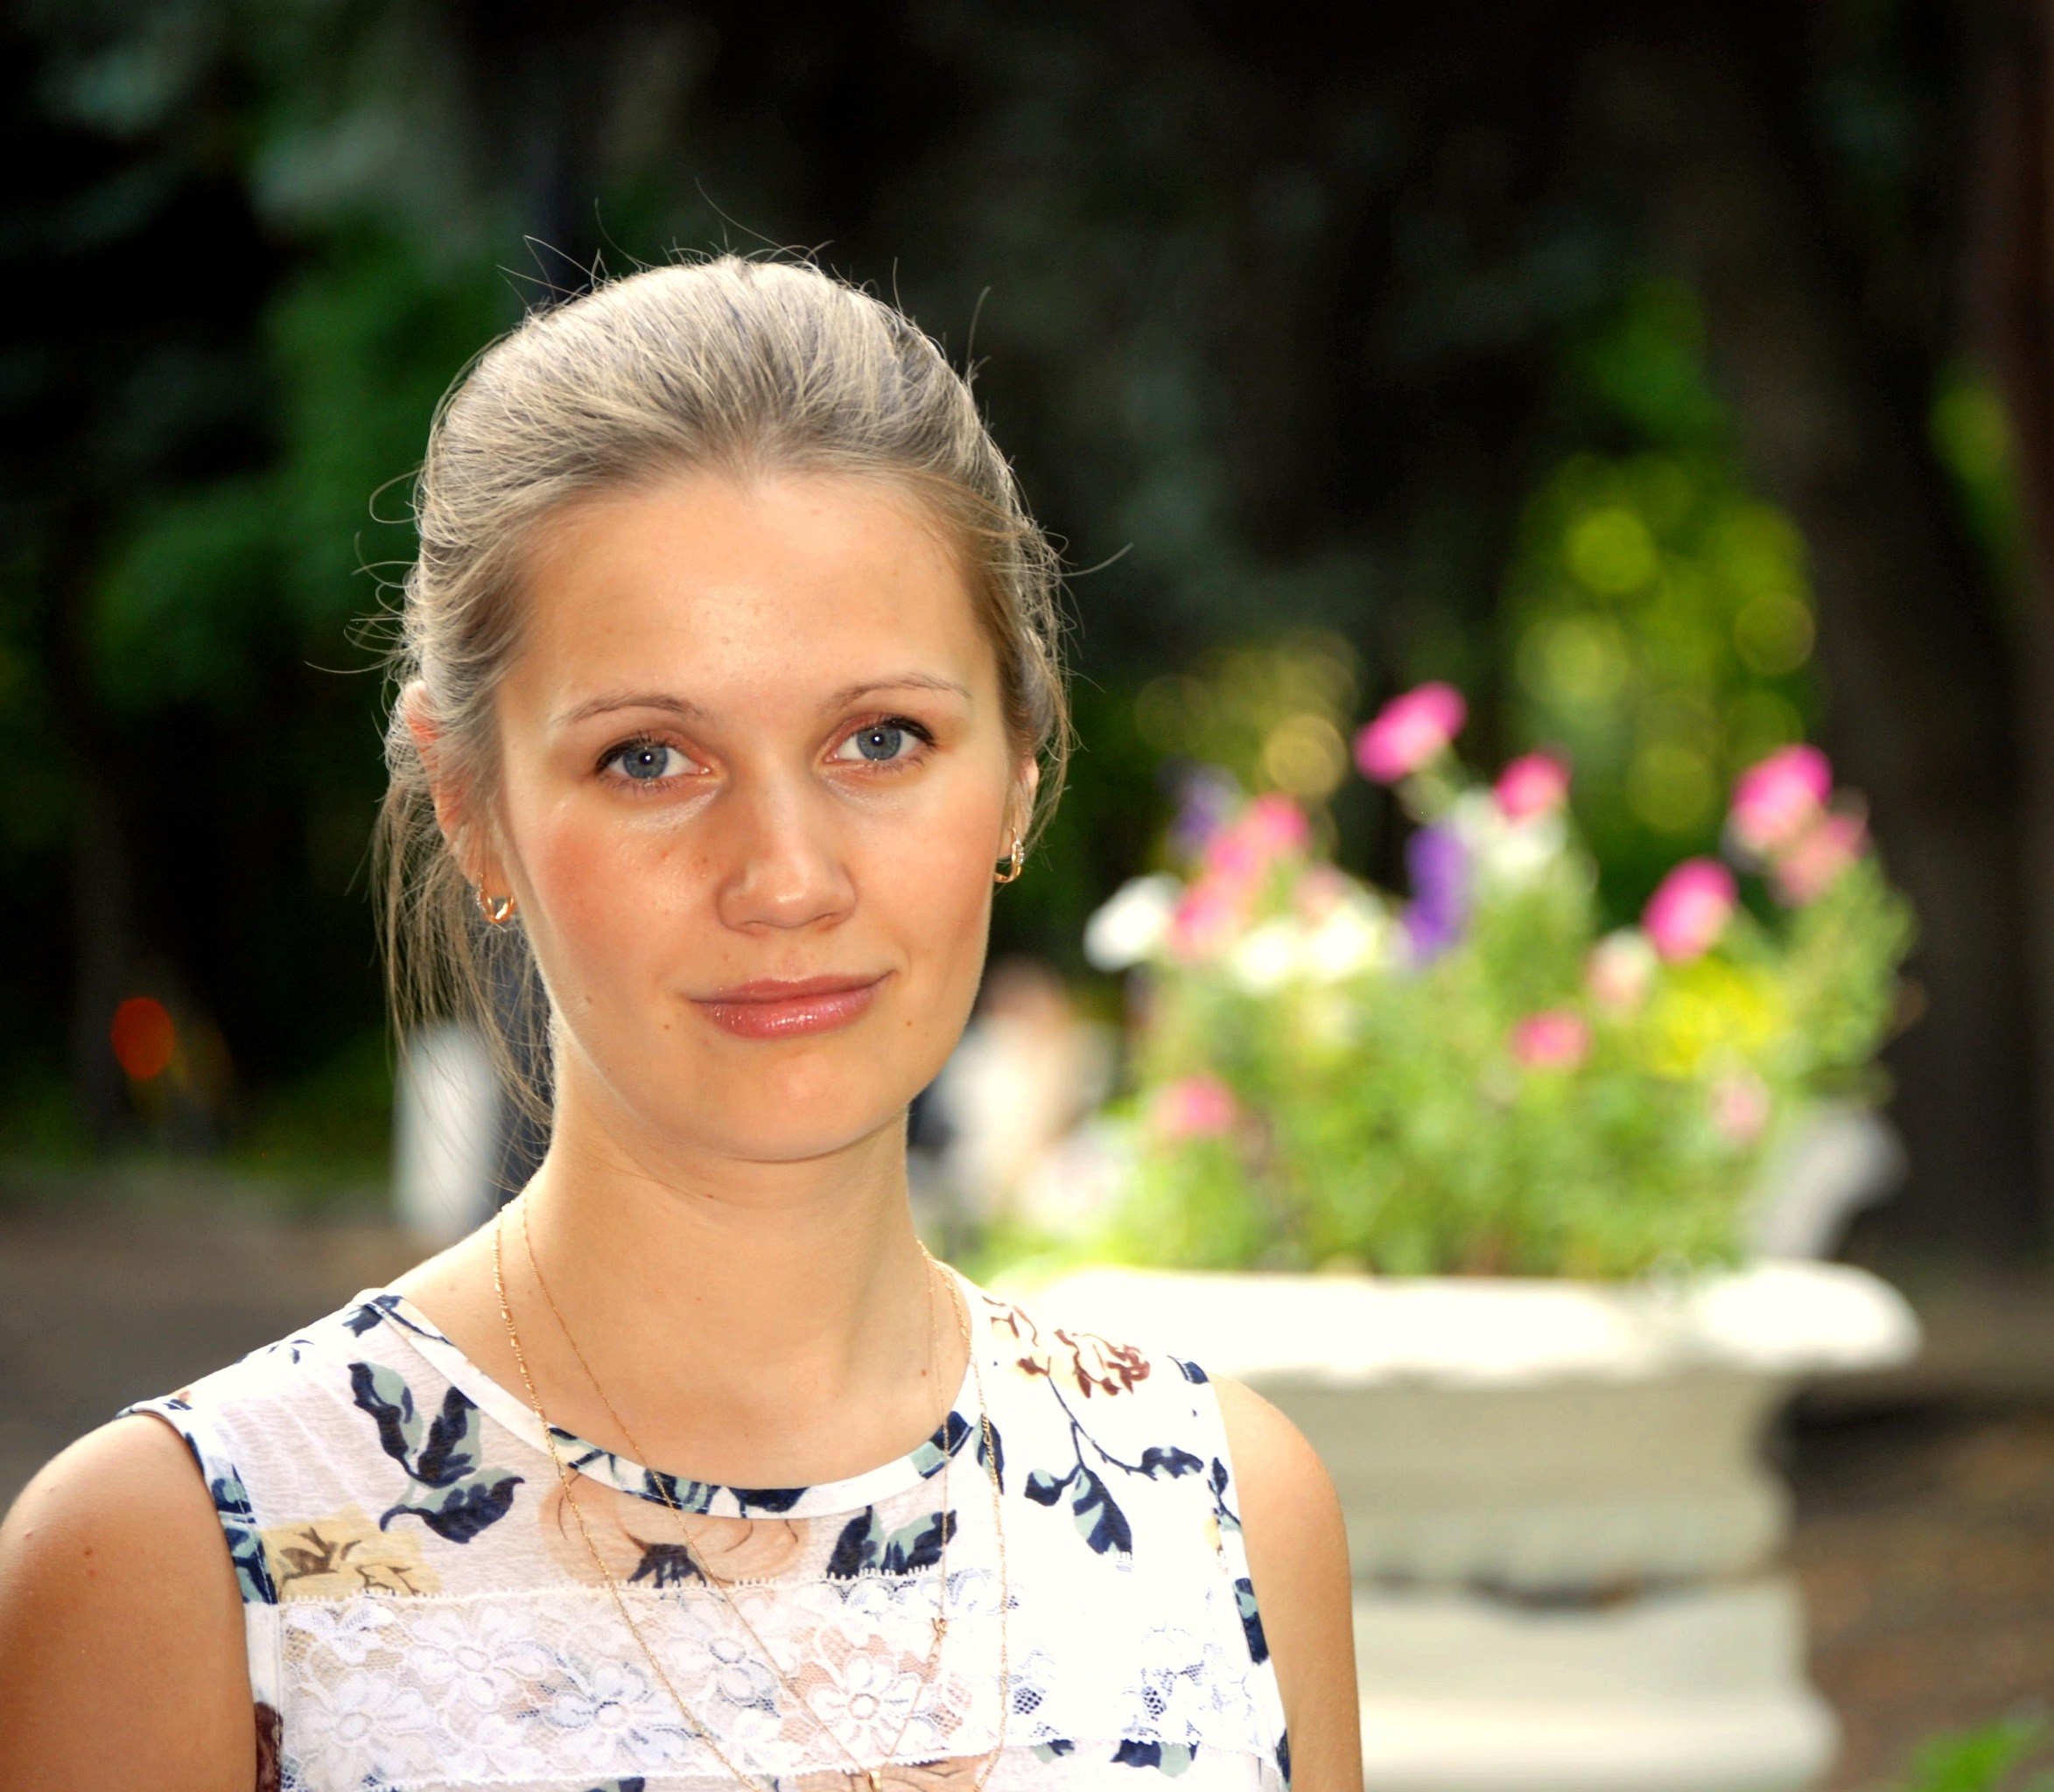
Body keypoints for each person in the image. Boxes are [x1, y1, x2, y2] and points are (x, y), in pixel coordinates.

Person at [0, 257, 1358, 1792]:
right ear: (471, 806)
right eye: (650, 758)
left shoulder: (1224, 1514)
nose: (785, 879)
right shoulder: (174, 1572)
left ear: (1021, 774)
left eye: (882, 738)